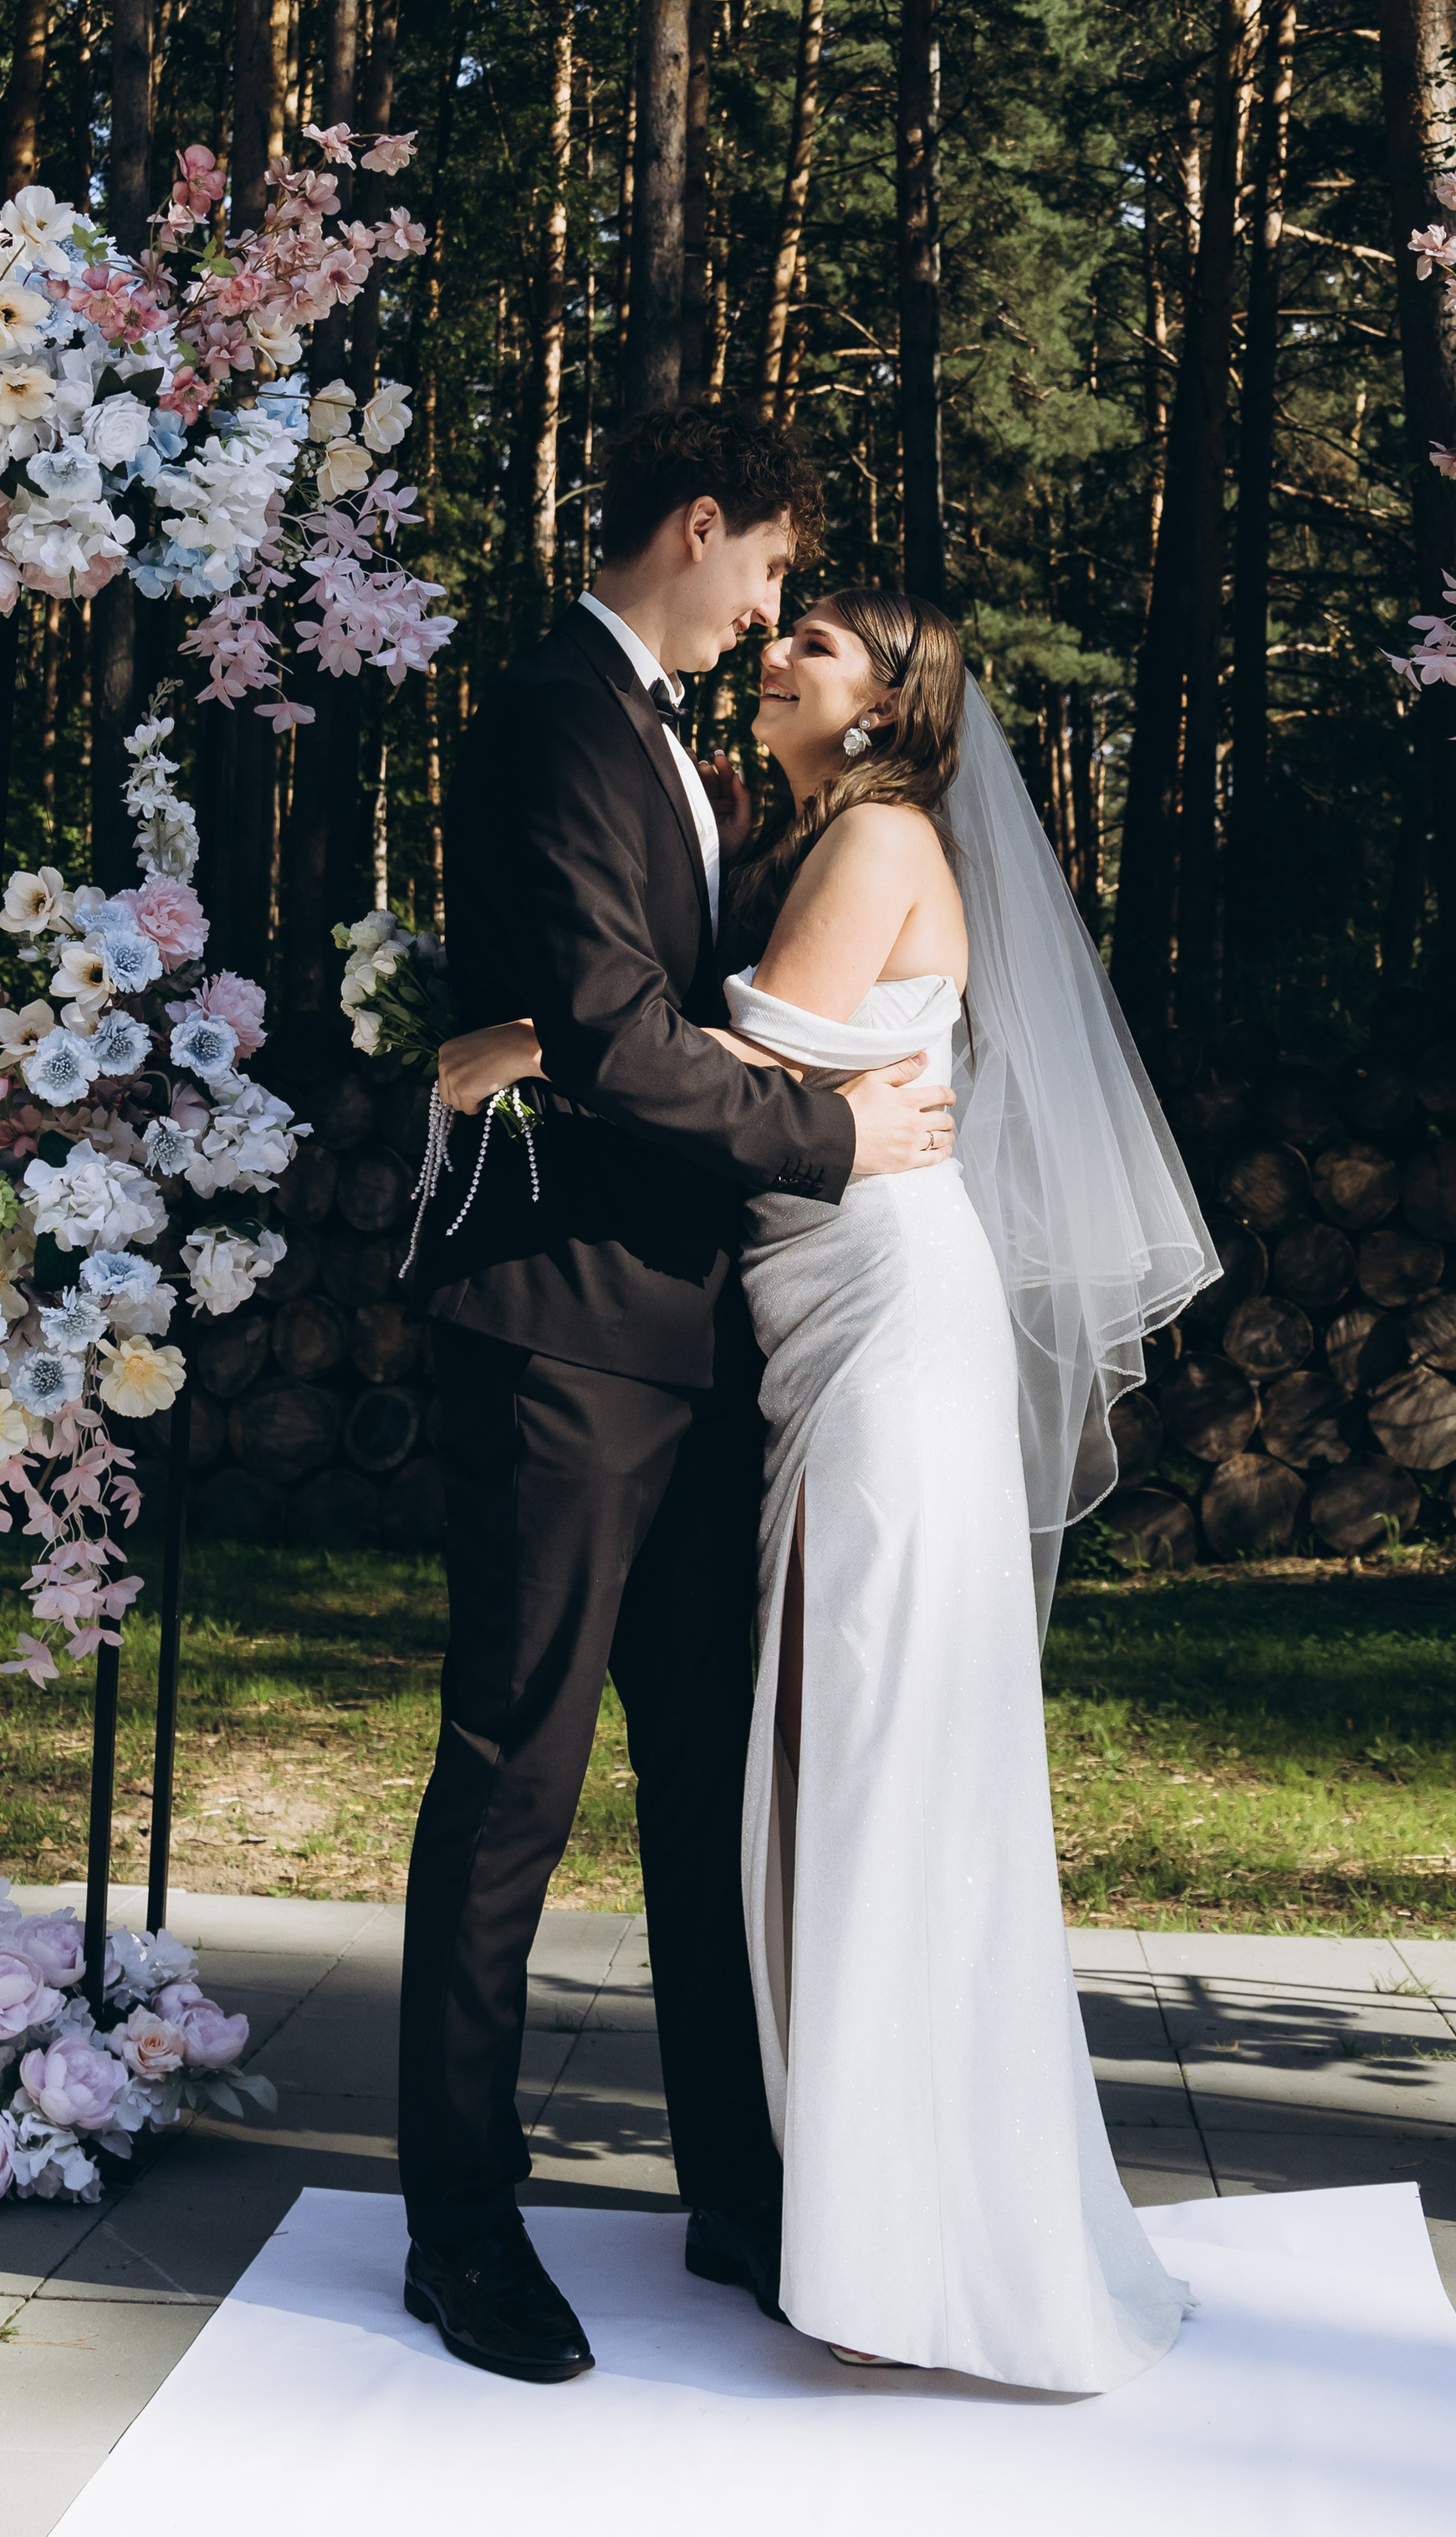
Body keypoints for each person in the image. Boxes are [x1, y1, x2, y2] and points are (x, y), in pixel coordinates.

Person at [440, 584, 1218, 2391]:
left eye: (821, 646)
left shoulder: (872, 831)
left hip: (884, 1329)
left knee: (879, 1753)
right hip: (823, 1330)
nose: (777, 649)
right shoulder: (834, 829)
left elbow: (751, 1057)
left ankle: (916, 2238)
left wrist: (536, 1043)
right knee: (847, 1753)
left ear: (886, 709)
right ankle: (862, 2203)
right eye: (782, 628)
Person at [399, 409, 956, 2388]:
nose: (773, 612)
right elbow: (631, 1045)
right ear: (698, 528)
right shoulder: (558, 714)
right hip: (555, 1337)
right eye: (771, 574)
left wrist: (511, 1035)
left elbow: (599, 1007)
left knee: (712, 1781)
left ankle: (737, 2187)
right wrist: (829, 1130)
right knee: (512, 1783)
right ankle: (460, 2228)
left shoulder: (676, 749)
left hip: (694, 1341)